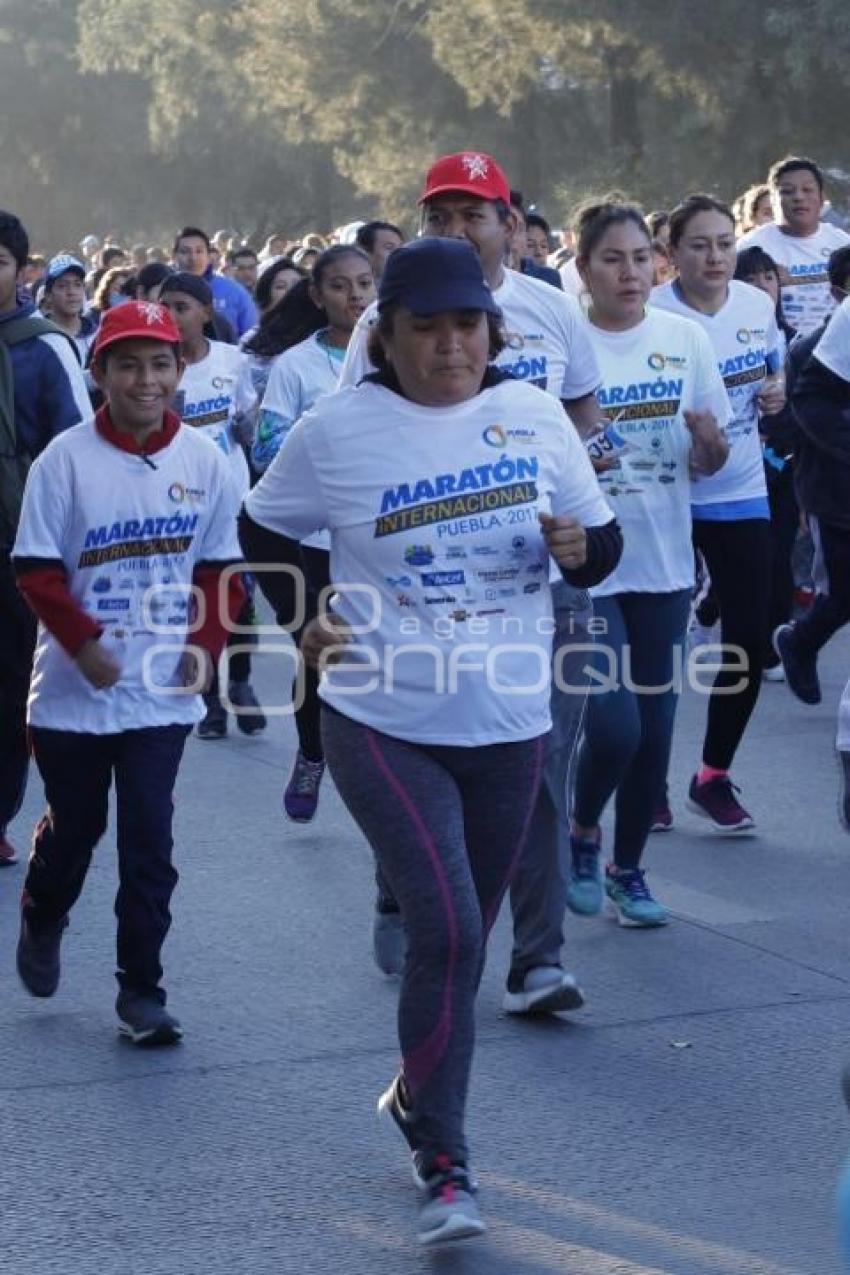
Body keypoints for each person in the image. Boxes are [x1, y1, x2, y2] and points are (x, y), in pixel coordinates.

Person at [238, 236, 620, 1245]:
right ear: (388, 336)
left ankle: (414, 1094)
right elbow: (263, 529)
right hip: (381, 716)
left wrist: (583, 551)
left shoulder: (533, 416)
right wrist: (308, 612)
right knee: (447, 932)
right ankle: (444, 1160)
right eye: (425, 327)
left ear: (490, 331)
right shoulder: (338, 429)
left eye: (466, 325)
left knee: (464, 942)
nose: (449, 346)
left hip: (508, 722)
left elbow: (598, 541)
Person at [338, 151, 606, 1009]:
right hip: (419, 586)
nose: (457, 229)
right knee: (426, 746)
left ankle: (538, 956)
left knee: (540, 755)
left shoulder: (554, 313)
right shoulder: (380, 322)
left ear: (511, 226)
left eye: (474, 213)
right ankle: (403, 876)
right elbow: (352, 439)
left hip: (538, 573)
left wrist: (577, 501)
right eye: (438, 215)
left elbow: (584, 411)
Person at [11, 301, 244, 1043]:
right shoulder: (65, 460)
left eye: (160, 363)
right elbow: (37, 571)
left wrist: (204, 643)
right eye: (127, 364)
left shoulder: (204, 460)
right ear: (100, 373)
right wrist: (83, 644)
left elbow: (220, 567)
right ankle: (44, 914)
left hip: (160, 695)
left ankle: (141, 991)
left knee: (150, 844)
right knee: (77, 835)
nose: (146, 380)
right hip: (74, 697)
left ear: (180, 370)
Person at [565, 197, 730, 925]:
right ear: (583, 267)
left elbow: (712, 456)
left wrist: (707, 441)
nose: (629, 273)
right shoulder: (565, 345)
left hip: (665, 563)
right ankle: (579, 829)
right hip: (592, 568)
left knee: (655, 734)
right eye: (612, 258)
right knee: (614, 727)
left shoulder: (684, 338)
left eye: (640, 258)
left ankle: (628, 871)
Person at [651, 195, 785, 832]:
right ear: (671, 254)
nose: (715, 256)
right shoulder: (653, 316)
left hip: (742, 490)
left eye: (725, 243)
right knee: (657, 646)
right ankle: (643, 776)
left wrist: (776, 389)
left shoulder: (757, 304)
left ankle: (712, 775)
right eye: (700, 244)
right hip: (667, 495)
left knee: (751, 640)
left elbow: (773, 365)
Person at [250, 246, 375, 820]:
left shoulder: (394, 353)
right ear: (318, 295)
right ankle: (310, 753)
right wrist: (327, 447)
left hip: (381, 536)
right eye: (341, 286)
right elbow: (266, 447)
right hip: (318, 540)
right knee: (318, 653)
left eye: (364, 283)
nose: (355, 296)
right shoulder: (296, 366)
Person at [0, 210, 90, 867]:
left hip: (15, 536)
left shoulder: (42, 346)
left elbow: (76, 451)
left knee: (8, 683)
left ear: (21, 271)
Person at [158, 272, 263, 740]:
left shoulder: (233, 361)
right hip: (178, 507)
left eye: (183, 306)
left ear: (205, 312)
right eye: (166, 306)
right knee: (198, 604)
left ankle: (240, 682)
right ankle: (210, 700)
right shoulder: (157, 367)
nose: (174, 316)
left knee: (239, 596)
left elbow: (246, 423)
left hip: (232, 499)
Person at [773, 297, 850, 707]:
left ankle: (801, 641)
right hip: (838, 481)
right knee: (843, 593)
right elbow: (811, 400)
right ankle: (800, 642)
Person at [737, 156, 850, 336]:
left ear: (821, 199)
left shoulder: (842, 243)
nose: (799, 197)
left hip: (835, 346)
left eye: (807, 190)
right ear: (773, 201)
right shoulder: (749, 247)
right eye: (788, 191)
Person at [172, 226, 257, 338]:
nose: (193, 257)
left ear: (208, 256)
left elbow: (251, 339)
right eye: (185, 252)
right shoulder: (163, 292)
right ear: (174, 257)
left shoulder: (234, 292)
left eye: (199, 251)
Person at [40, 255, 99, 369]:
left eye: (77, 285)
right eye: (62, 286)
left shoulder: (96, 334)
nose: (71, 292)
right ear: (48, 295)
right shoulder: (40, 337)